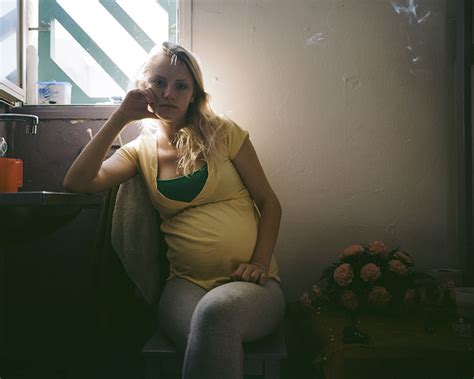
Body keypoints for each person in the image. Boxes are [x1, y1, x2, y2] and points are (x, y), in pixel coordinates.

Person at [63, 41, 285, 379]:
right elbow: (77, 182)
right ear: (144, 87)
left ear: (194, 94)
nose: (168, 93)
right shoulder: (140, 152)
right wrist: (120, 117)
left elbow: (269, 204)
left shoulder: (225, 134)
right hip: (185, 286)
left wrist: (259, 264)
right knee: (210, 326)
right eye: (158, 82)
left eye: (181, 86)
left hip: (253, 285)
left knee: (216, 316)